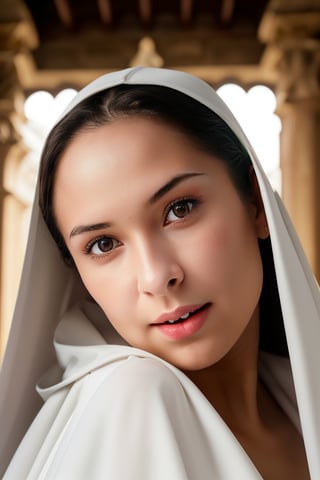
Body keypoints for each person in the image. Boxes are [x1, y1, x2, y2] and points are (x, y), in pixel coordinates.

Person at [0, 67, 319, 479]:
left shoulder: (296, 395)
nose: (155, 278)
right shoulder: (132, 398)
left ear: (256, 204)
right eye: (103, 244)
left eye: (179, 210)